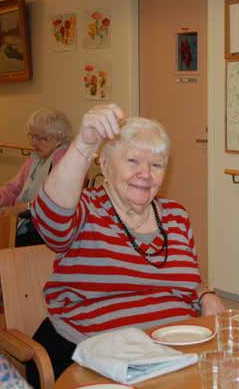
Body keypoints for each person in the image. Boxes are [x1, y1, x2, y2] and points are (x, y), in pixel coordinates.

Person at [27, 103, 225, 386]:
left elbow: (188, 279)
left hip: (171, 355)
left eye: (156, 165)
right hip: (94, 358)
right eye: (133, 161)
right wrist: (83, 145)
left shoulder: (176, 215)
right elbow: (50, 220)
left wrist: (206, 295)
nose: (146, 173)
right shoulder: (86, 209)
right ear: (105, 165)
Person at [0, 109, 73, 247]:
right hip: (22, 221)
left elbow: (56, 202)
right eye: (32, 136)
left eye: (41, 138)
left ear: (58, 139)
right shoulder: (35, 158)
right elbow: (13, 188)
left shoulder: (65, 160)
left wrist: (24, 208)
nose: (33, 143)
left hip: (43, 231)